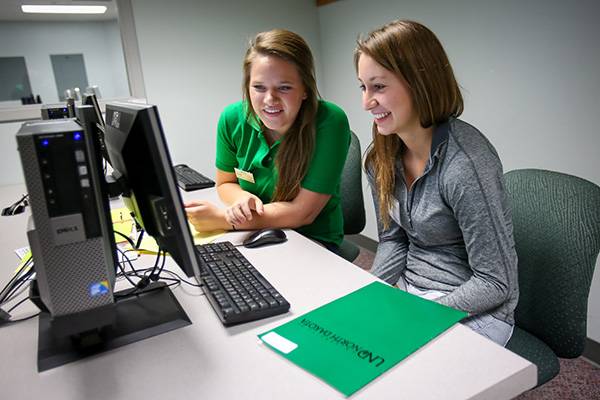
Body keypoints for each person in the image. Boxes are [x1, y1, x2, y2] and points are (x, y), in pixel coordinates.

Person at [355, 20, 518, 346]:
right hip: (412, 289)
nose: (366, 102)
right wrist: (371, 291)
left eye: (379, 87)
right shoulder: (381, 158)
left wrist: (423, 317)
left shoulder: (465, 165)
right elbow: (394, 240)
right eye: (363, 87)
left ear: (420, 82)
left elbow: (495, 282)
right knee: (347, 343)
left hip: (476, 307)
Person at [185, 29, 351, 253]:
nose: (270, 99)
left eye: (284, 87)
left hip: (312, 239)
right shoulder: (232, 118)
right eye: (259, 87)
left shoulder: (330, 121)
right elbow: (225, 183)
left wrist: (226, 219)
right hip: (253, 230)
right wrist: (244, 199)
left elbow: (303, 213)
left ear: (305, 89)